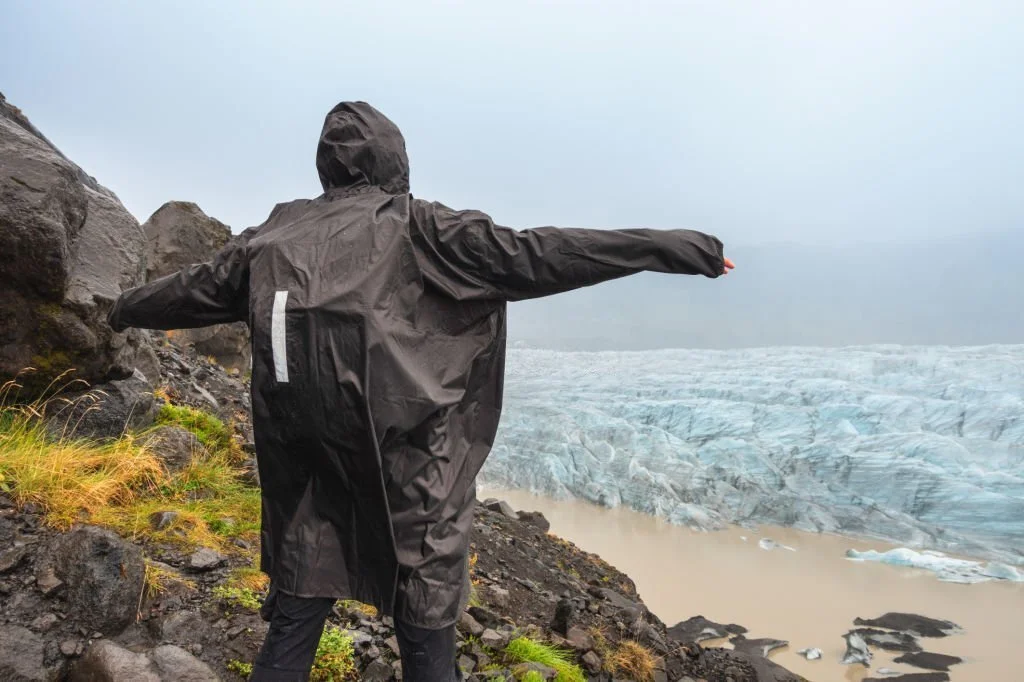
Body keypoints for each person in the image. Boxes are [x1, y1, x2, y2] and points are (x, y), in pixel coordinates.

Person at [108, 101, 735, 681]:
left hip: (310, 469)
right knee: (425, 625)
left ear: (327, 164)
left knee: (298, 612)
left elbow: (192, 289)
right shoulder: (420, 227)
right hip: (413, 466)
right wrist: (676, 247)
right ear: (394, 160)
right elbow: (539, 253)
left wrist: (117, 308)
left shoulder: (275, 234)